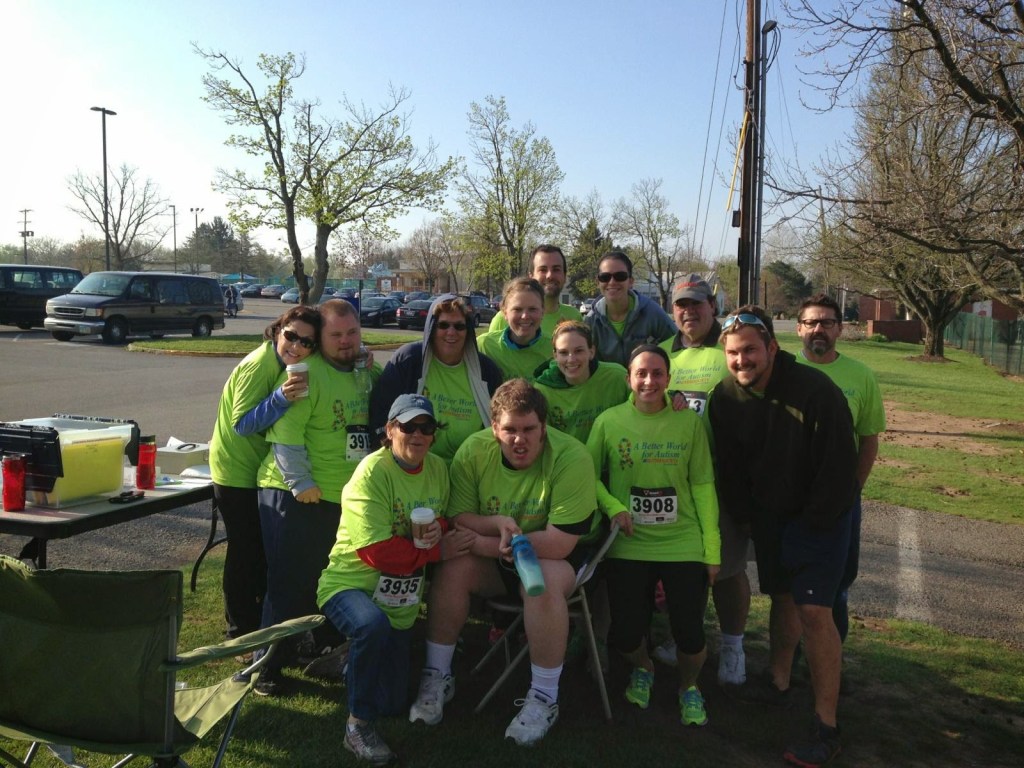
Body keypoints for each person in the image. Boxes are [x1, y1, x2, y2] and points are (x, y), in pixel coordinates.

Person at [408, 379, 597, 746]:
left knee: (536, 579)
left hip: (555, 557)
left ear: (544, 426)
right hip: (497, 550)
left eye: (529, 429)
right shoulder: (473, 450)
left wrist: (485, 543)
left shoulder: (572, 457)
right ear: (494, 427)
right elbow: (460, 516)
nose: (519, 440)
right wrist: (495, 531)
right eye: (509, 429)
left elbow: (559, 543)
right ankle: (437, 675)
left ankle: (544, 697)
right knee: (452, 567)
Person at [708, 306, 857, 767]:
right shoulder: (724, 397)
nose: (741, 360)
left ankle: (826, 726)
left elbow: (839, 469)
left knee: (814, 609)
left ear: (772, 346)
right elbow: (730, 470)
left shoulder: (817, 392)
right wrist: (748, 517)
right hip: (770, 515)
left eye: (750, 350)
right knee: (782, 596)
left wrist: (811, 526)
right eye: (733, 353)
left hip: (822, 513)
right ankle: (778, 681)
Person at [317, 394, 474, 764]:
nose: (417, 435)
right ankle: (357, 727)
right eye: (408, 426)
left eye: (426, 427)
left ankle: (348, 661)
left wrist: (442, 528)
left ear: (434, 435)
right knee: (370, 626)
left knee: (393, 701)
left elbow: (447, 518)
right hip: (349, 585)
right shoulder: (372, 473)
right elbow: (376, 552)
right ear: (390, 430)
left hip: (399, 598)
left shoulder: (437, 469)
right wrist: (437, 552)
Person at [587, 344, 720, 726]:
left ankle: (689, 687)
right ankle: (643, 667)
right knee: (626, 633)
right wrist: (613, 507)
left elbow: (704, 485)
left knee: (690, 632)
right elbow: (590, 477)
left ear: (668, 378)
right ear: (629, 378)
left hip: (683, 542)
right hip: (629, 542)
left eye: (657, 373)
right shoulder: (609, 422)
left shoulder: (688, 422)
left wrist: (711, 550)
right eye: (641, 373)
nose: (649, 381)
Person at [254, 298, 381, 696]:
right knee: (288, 582)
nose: (345, 342)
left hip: (340, 498)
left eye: (352, 333)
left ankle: (313, 646)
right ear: (320, 338)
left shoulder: (365, 372)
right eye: (335, 335)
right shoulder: (305, 375)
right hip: (295, 493)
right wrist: (300, 484)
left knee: (323, 579)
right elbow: (285, 438)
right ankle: (265, 668)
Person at [652, 274, 750, 688]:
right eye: (681, 305)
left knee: (727, 571)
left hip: (724, 480)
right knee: (683, 570)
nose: (689, 312)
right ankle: (685, 637)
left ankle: (733, 646)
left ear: (713, 306)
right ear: (671, 310)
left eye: (697, 304)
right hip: (674, 480)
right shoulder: (659, 355)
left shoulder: (730, 349)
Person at [208, 306, 321, 644]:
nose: (296, 346)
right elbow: (241, 424)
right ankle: (239, 632)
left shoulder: (284, 365)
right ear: (277, 330)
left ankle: (254, 623)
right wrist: (280, 399)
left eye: (307, 342)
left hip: (254, 470)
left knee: (256, 550)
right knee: (244, 552)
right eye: (291, 336)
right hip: (234, 471)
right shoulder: (260, 365)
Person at [795, 293, 886, 650]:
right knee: (789, 586)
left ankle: (831, 663)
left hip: (839, 498)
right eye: (811, 322)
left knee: (837, 585)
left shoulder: (860, 376)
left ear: (840, 329)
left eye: (827, 323)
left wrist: (852, 489)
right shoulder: (785, 370)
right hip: (792, 494)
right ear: (799, 328)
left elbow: (868, 439)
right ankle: (788, 663)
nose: (819, 329)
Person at [370, 294, 502, 462]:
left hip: (468, 471)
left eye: (459, 326)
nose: (451, 332)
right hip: (416, 470)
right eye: (443, 325)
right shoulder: (409, 361)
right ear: (431, 328)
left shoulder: (486, 371)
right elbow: (380, 412)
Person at [532, 320, 629, 443]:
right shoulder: (543, 390)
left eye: (579, 351)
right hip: (568, 459)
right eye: (563, 353)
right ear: (555, 356)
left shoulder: (617, 377)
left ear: (591, 352)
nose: (571, 359)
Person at [584, 250, 675, 366]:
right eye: (605, 277)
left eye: (620, 276)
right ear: (598, 282)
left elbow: (677, 345)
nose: (612, 282)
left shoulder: (652, 312)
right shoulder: (591, 321)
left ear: (631, 281)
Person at [488, 245, 582, 336]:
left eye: (556, 269)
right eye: (543, 270)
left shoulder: (574, 317)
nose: (549, 275)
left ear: (565, 276)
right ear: (531, 276)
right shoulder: (504, 319)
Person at [478, 277, 553, 380]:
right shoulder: (485, 346)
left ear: (542, 311)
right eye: (517, 309)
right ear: (505, 312)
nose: (525, 316)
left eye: (532, 309)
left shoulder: (554, 350)